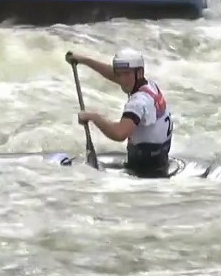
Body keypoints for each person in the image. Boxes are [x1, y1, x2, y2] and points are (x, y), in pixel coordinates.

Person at [65, 48, 174, 179]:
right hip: (160, 162)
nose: (122, 79)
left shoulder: (138, 103)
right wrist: (83, 60)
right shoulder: (150, 86)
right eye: (119, 74)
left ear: (139, 72)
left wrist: (93, 117)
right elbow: (113, 74)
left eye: (126, 74)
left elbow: (119, 134)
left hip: (144, 171)